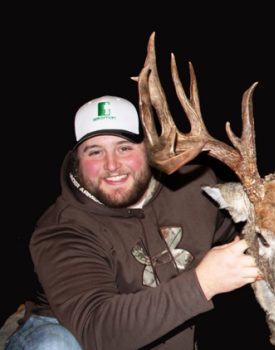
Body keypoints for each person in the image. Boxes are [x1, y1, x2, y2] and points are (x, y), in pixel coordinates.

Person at [5, 95, 261, 350]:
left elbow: (245, 237)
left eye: (124, 147)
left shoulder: (195, 186)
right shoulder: (62, 229)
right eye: (95, 152)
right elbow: (97, 329)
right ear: (77, 161)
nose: (112, 165)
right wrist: (204, 282)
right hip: (72, 332)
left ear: (149, 149)